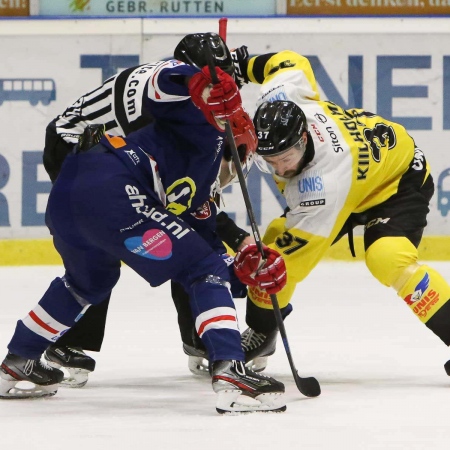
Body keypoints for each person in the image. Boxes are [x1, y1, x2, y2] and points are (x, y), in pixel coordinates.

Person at [0, 60, 288, 414]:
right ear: (240, 150)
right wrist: (199, 85)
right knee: (203, 269)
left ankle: (17, 361)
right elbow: (161, 88)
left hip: (70, 193)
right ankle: (230, 370)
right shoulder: (206, 130)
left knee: (88, 283)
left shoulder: (200, 191)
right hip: (112, 187)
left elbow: (203, 250)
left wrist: (244, 271)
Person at [41, 32, 254, 386]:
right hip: (74, 148)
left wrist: (238, 68)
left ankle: (200, 338)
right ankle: (68, 341)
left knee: (184, 237)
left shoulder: (197, 92)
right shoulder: (165, 83)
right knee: (101, 248)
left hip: (114, 159)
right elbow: (172, 80)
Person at [231, 50, 450, 375]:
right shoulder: (284, 96)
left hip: (393, 182)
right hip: (356, 175)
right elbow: (290, 62)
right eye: (269, 160)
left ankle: (262, 331)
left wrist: (254, 290)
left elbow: (285, 267)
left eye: (286, 157)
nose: (279, 168)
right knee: (274, 240)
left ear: (304, 140)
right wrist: (239, 66)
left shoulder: (320, 187)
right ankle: (264, 333)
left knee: (387, 258)